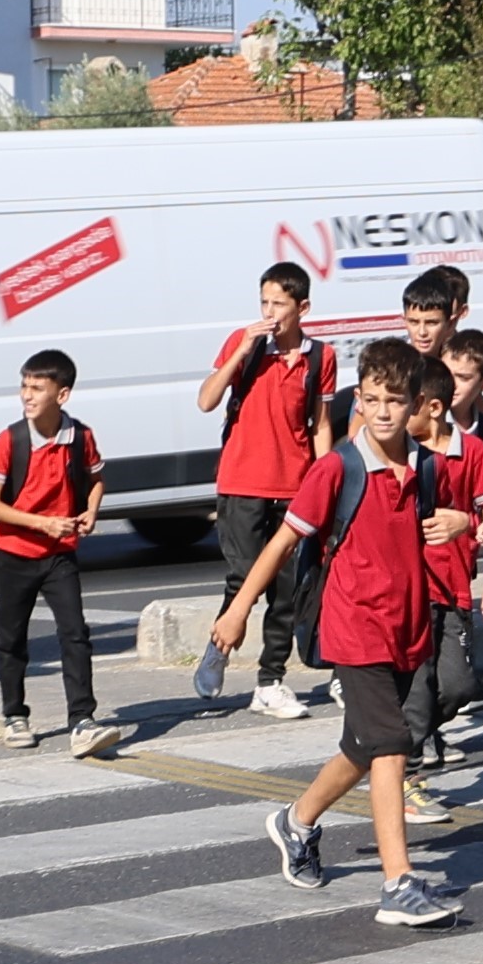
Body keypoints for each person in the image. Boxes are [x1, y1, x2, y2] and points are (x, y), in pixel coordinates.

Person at [210, 350, 467, 928]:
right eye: (370, 399)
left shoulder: (428, 468)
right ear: (358, 398)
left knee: (363, 748)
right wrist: (238, 611)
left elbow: (462, 514)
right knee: (392, 742)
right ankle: (398, 884)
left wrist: (462, 522)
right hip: (354, 625)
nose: (381, 412)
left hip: (408, 626)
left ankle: (296, 821)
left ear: (416, 408)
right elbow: (279, 544)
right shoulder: (337, 470)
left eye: (394, 401)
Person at [197, 260, 336, 721]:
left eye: (279, 303)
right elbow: (207, 400)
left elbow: (319, 425)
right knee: (243, 579)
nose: (270, 312)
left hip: (292, 486)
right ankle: (219, 647)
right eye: (264, 302)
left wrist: (324, 483)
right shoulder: (246, 344)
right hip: (241, 483)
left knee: (284, 588)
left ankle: (270, 681)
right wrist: (241, 351)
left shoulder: (321, 357)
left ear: (303, 308)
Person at [0, 348, 123, 756]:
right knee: (11, 638)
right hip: (15, 552)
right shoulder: (10, 440)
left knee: (75, 634)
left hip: (60, 554)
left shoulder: (81, 437)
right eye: (24, 386)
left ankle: (82, 720)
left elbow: (97, 480)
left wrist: (91, 511)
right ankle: (14, 715)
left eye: (37, 388)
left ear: (62, 395)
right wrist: (42, 522)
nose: (26, 395)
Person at [409, 327, 483, 764]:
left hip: (454, 584)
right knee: (416, 676)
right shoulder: (400, 454)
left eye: (404, 404)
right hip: (410, 587)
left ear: (431, 408)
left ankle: (424, 730)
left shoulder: (472, 451)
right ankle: (409, 754)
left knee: (459, 684)